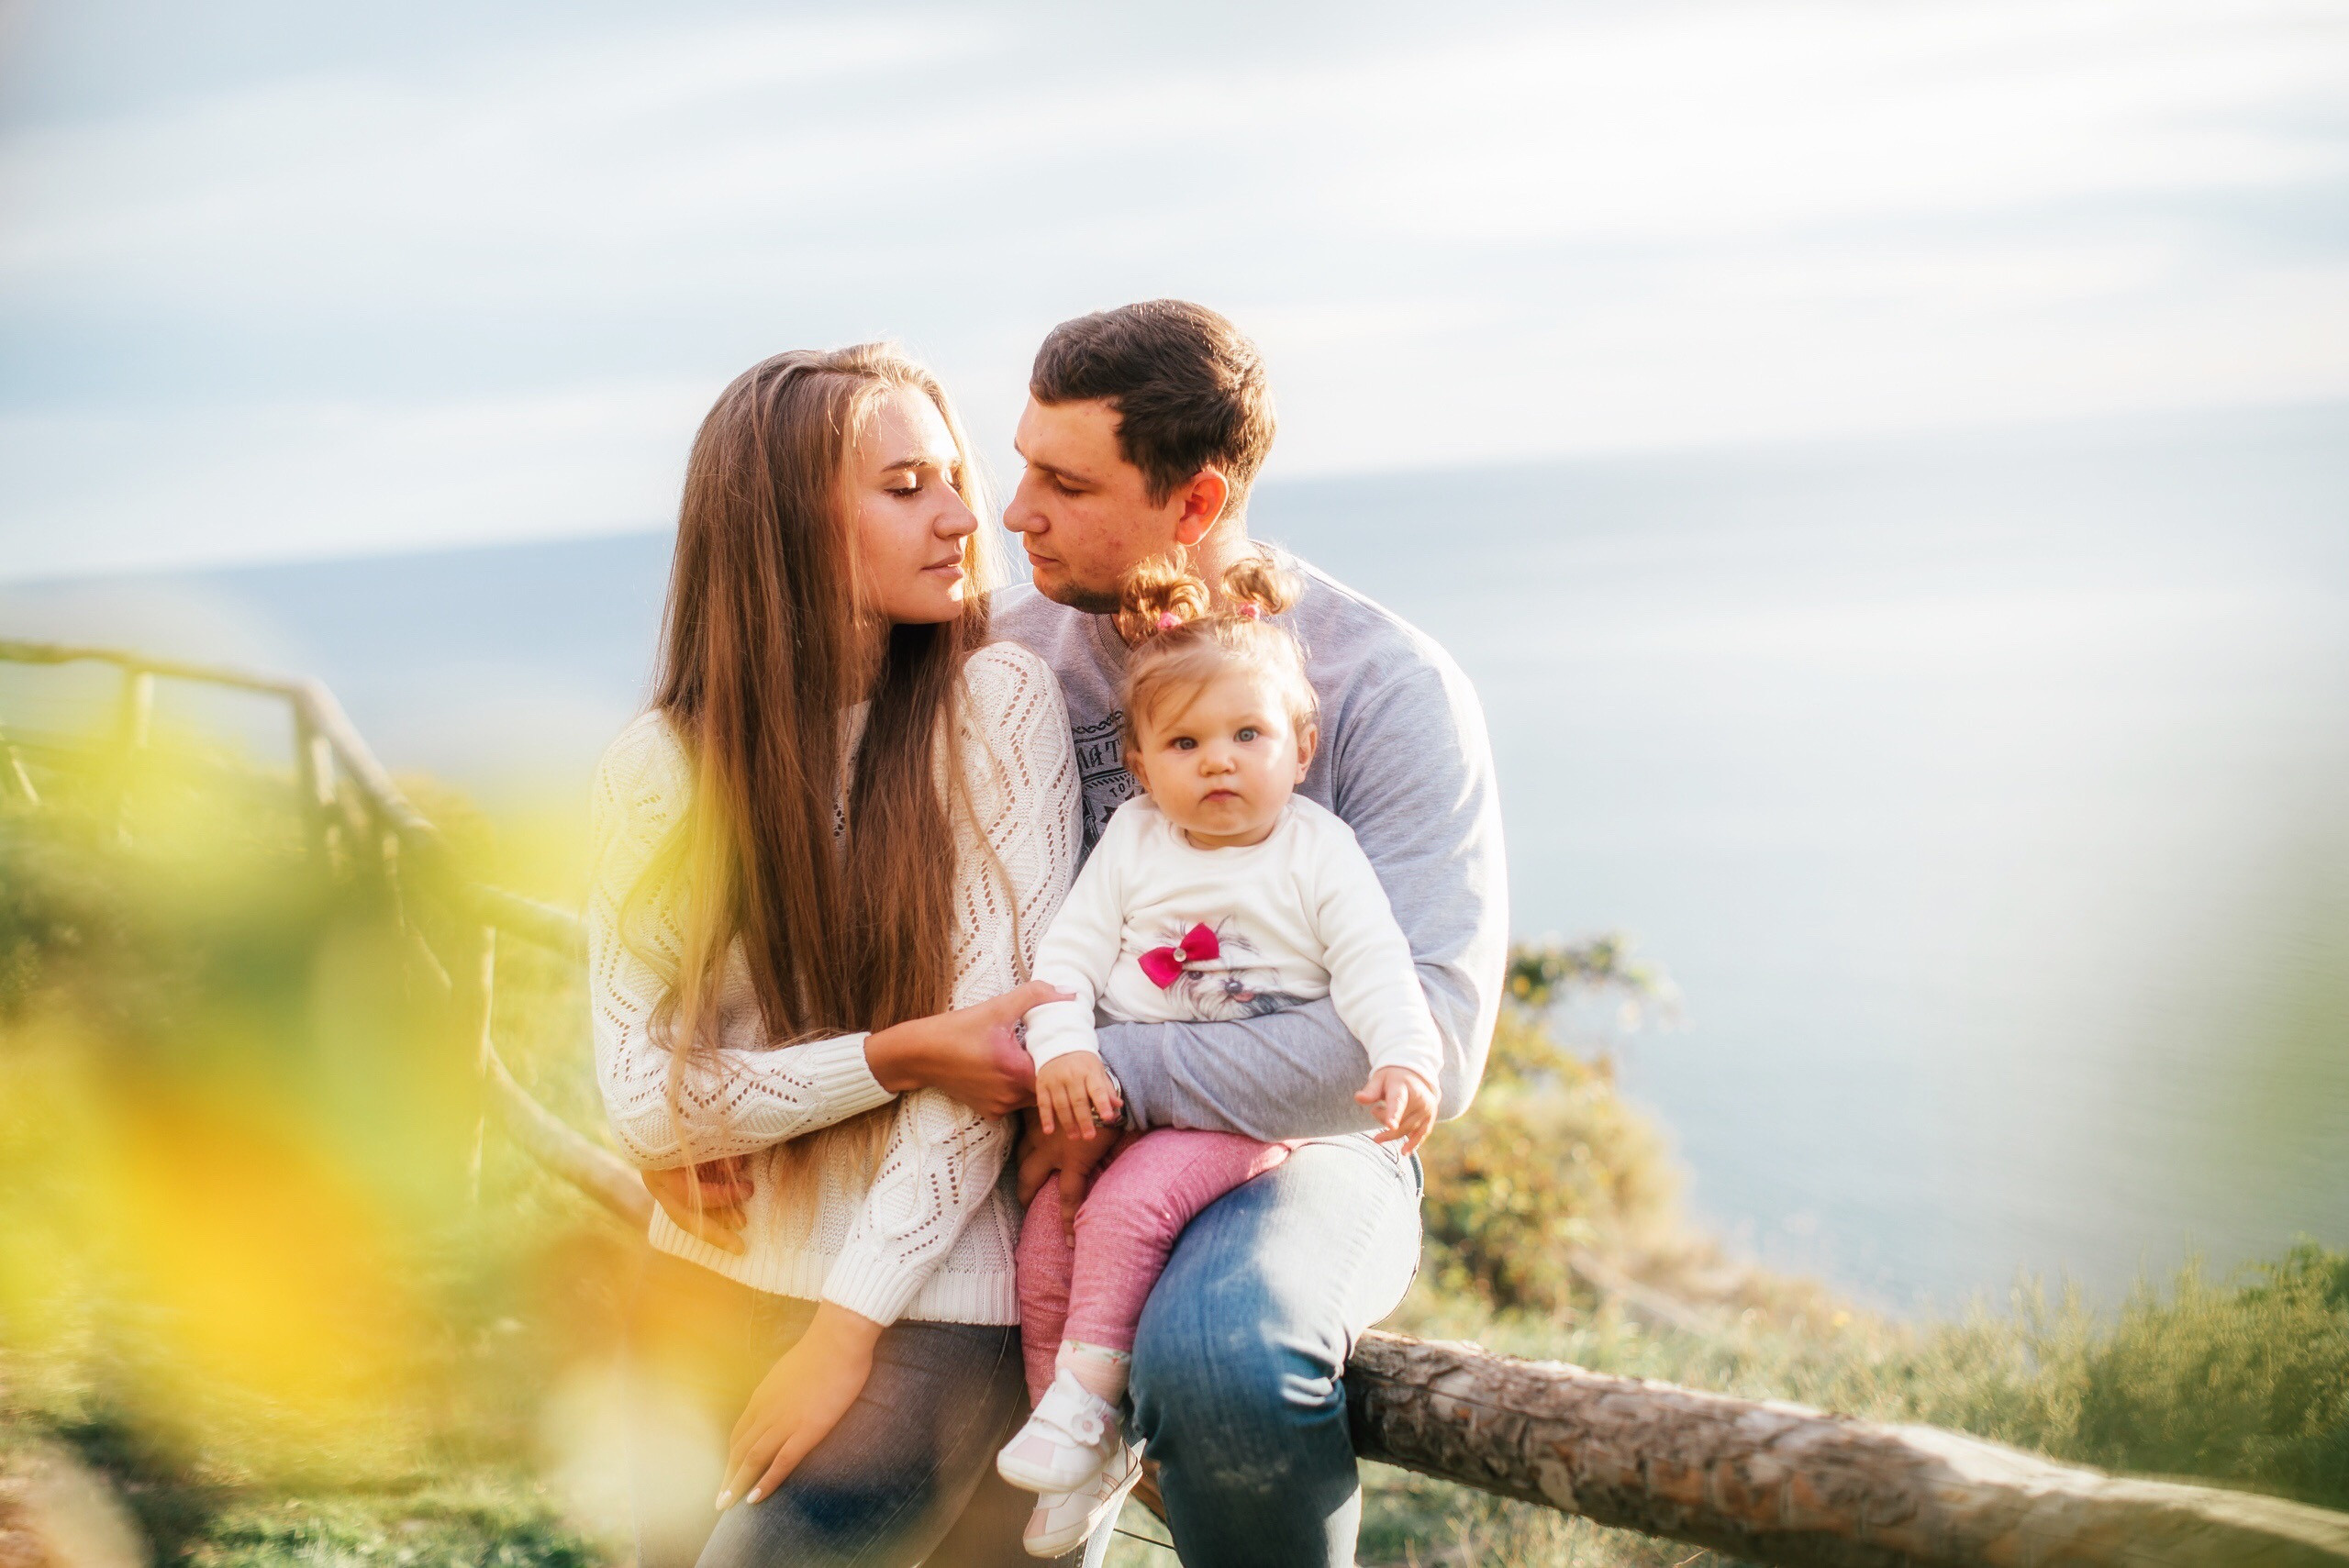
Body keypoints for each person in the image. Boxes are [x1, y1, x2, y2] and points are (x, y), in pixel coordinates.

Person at [649, 300, 1508, 1565]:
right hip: (1022, 1122)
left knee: (1226, 1357)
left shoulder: (1383, 684)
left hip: (1294, 1139)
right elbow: (807, 829)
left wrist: (1084, 1077)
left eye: (1062, 481)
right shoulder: (998, 651)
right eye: (1020, 463)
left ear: (1197, 503)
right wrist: (709, 1085)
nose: (1010, 512)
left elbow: (1427, 1036)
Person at [592, 344, 1084, 1568]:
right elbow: (643, 1100)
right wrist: (894, 1052)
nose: (964, 516)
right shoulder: (661, 767)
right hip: (696, 1282)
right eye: (907, 484)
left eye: (953, 475)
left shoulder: (998, 707)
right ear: (783, 525)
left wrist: (842, 1335)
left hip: (927, 1302)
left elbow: (993, 1068)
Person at [994, 552, 1446, 1558]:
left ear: (1300, 744)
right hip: (1112, 1097)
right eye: (1185, 741)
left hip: (1235, 1114)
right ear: (1142, 762)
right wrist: (1063, 1049)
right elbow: (1065, 955)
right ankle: (1081, 1438)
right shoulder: (1135, 840)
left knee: (1125, 1204)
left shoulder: (1314, 850)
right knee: (1045, 1241)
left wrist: (1406, 1058)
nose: (1219, 761)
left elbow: (1377, 966)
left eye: (1249, 735)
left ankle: (1082, 1398)